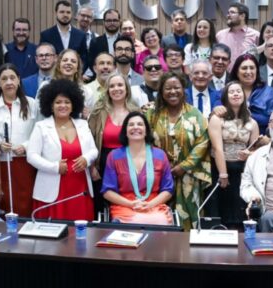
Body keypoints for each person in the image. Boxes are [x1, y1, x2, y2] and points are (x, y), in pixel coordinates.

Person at [146, 72, 211, 230]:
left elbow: (203, 142)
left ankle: (187, 246)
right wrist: (161, 166)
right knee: (158, 216)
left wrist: (184, 166)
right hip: (158, 174)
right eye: (168, 88)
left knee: (188, 217)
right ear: (161, 91)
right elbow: (145, 139)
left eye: (177, 87)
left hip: (188, 175)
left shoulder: (194, 114)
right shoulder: (152, 114)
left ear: (184, 89)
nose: (173, 91)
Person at [27, 79, 98, 221]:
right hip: (51, 189)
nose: (63, 106)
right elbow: (31, 156)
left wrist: (86, 159)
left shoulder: (83, 124)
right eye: (58, 102)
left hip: (79, 187)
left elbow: (93, 150)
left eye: (67, 102)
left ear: (73, 105)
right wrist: (54, 167)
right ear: (51, 105)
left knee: (80, 229)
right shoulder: (41, 127)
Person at [0, 64, 40, 215]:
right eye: (4, 79)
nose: (9, 82)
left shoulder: (31, 103)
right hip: (1, 163)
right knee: (5, 202)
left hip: (25, 163)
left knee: (25, 201)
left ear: (18, 80)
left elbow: (38, 132)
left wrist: (26, 146)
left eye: (12, 78)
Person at [102, 112, 175, 225]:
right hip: (124, 205)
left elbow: (168, 190)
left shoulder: (160, 155)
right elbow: (107, 192)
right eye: (131, 125)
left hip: (154, 204)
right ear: (125, 131)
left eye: (140, 124)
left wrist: (150, 204)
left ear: (146, 131)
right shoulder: (114, 156)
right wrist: (131, 204)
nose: (135, 127)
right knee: (132, 222)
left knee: (161, 221)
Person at [208, 81, 260, 228]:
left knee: (240, 213)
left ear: (244, 95)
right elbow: (217, 148)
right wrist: (223, 174)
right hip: (220, 169)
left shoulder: (252, 122)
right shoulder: (217, 118)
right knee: (220, 211)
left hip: (242, 171)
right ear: (225, 97)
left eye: (239, 91)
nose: (236, 94)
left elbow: (256, 151)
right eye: (231, 92)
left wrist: (249, 153)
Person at [88, 74, 141, 214]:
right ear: (107, 90)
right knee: (102, 205)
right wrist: (92, 167)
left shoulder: (136, 111)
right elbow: (89, 140)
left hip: (130, 162)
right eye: (112, 86)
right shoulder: (98, 112)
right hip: (103, 163)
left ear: (127, 88)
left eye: (120, 85)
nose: (116, 89)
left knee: (128, 203)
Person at [224, 54, 273, 133]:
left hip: (263, 138)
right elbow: (218, 113)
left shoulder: (268, 92)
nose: (248, 72)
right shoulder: (226, 91)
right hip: (231, 137)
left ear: (257, 71)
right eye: (244, 68)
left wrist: (268, 137)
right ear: (236, 71)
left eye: (252, 68)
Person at [39, 0, 89, 68]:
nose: (65, 15)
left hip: (74, 73)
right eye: (62, 12)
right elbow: (43, 57)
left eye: (68, 12)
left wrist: (78, 72)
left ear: (71, 14)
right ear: (56, 13)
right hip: (53, 73)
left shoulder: (81, 35)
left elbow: (84, 59)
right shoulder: (46, 35)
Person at [216, 2, 259, 70]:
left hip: (247, 74)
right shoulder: (220, 35)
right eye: (228, 13)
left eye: (232, 12)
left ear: (242, 16)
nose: (228, 15)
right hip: (225, 75)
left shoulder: (255, 35)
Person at [87, 9, 122, 78]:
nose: (112, 23)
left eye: (115, 20)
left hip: (121, 77)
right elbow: (91, 63)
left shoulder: (125, 41)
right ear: (104, 22)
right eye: (109, 20)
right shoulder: (95, 41)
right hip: (101, 77)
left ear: (119, 22)